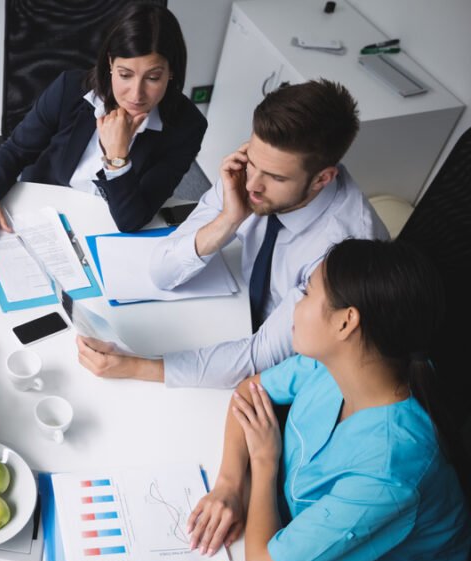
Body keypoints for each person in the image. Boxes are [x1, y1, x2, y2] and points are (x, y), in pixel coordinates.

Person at [187, 239, 470, 561]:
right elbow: (249, 392)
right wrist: (228, 484)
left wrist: (263, 462)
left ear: (346, 321)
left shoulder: (389, 469)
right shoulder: (343, 362)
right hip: (296, 537)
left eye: (305, 293)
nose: (294, 305)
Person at [77, 79, 389, 388]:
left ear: (322, 179)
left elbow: (261, 355)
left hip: (303, 367)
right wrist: (228, 219)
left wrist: (136, 366)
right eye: (253, 162)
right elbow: (162, 271)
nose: (253, 184)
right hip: (236, 313)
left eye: (275, 177)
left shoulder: (343, 249)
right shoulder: (250, 174)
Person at [0, 2, 207, 248]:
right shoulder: (69, 89)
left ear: (171, 72)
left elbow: (131, 220)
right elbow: (16, 149)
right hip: (49, 210)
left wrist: (117, 157)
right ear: (110, 63)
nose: (136, 94)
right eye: (125, 75)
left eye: (153, 78)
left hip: (109, 230)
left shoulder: (187, 127)